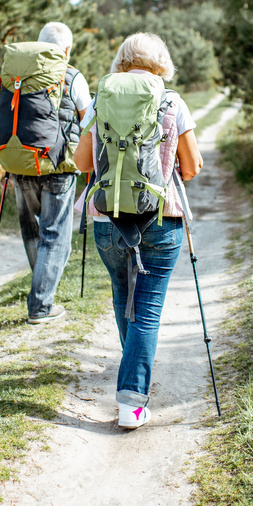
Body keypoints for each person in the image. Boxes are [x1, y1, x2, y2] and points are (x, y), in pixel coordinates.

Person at [73, 32, 203, 429]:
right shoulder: (172, 101)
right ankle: (131, 400)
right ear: (161, 64)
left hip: (108, 219)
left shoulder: (100, 99)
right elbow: (193, 166)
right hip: (161, 220)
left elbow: (81, 163)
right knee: (146, 311)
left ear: (122, 62)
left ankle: (133, 377)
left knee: (121, 295)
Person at [0, 22, 91, 324]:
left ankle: (41, 290)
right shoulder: (72, 76)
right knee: (56, 235)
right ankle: (41, 305)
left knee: (32, 230)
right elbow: (89, 123)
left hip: (21, 164)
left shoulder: (16, 78)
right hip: (58, 166)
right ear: (67, 50)